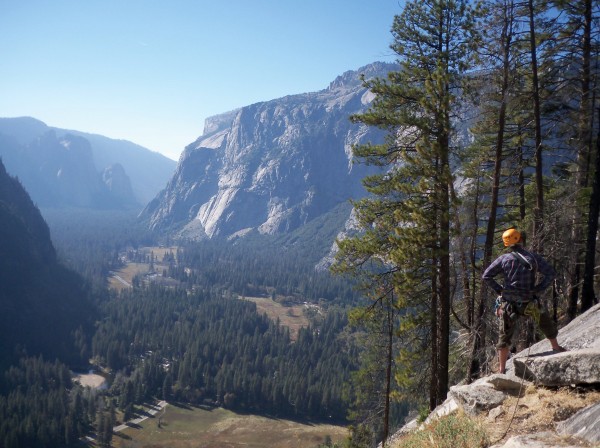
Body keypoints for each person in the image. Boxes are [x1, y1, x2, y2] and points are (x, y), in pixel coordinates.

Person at [482, 228, 566, 374]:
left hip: (509, 303)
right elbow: (551, 273)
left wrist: (499, 290)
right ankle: (555, 347)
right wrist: (538, 288)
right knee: (544, 321)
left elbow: (486, 276)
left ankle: (501, 369)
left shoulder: (503, 260)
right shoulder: (533, 258)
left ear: (507, 244)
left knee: (504, 334)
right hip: (529, 301)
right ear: (520, 240)